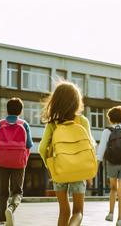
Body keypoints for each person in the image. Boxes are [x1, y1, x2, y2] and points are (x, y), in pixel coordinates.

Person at [39, 81, 96, 226]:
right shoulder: (82, 121)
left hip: (60, 171)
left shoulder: (52, 124)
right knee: (78, 212)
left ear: (56, 101)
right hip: (80, 170)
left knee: (63, 211)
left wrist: (50, 166)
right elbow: (91, 145)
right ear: (77, 101)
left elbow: (42, 148)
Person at [0, 97, 33, 226]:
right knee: (18, 191)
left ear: (7, 110)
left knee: (3, 191)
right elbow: (29, 144)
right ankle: (11, 208)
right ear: (20, 111)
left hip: (2, 161)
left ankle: (2, 220)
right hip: (19, 161)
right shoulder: (24, 124)